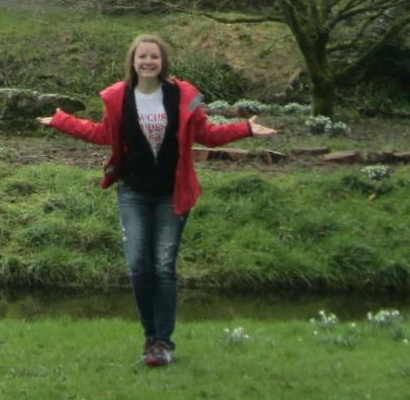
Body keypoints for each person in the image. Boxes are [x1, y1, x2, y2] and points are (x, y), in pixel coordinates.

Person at [38, 36, 277, 366]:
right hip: (133, 193)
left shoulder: (185, 96)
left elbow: (206, 133)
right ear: (133, 61)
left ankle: (163, 343)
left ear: (163, 61)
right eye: (142, 56)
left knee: (163, 268)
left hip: (171, 194)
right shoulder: (118, 97)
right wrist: (62, 121)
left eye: (154, 56)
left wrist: (245, 129)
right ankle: (150, 337)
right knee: (139, 267)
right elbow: (103, 134)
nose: (148, 61)